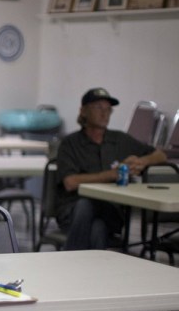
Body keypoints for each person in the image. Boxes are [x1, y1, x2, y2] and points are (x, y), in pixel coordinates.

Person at [56, 88, 167, 251]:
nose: (104, 113)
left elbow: (160, 155)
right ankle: (91, 273)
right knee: (96, 225)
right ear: (84, 111)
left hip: (111, 211)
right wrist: (111, 175)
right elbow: (70, 182)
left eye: (108, 109)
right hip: (73, 212)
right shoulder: (70, 143)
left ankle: (67, 260)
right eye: (98, 108)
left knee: (98, 219)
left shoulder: (120, 140)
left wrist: (142, 161)